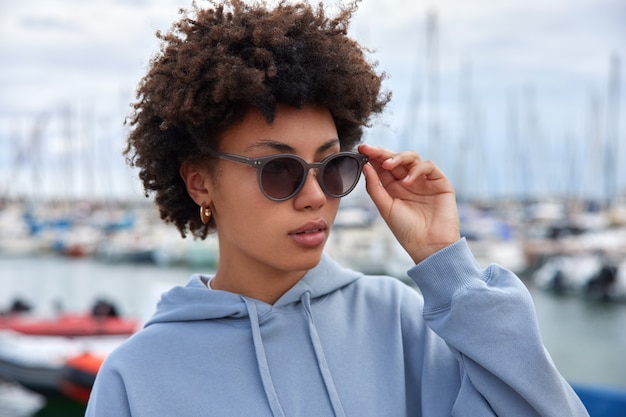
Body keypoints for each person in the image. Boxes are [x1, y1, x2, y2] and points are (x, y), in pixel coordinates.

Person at [86, 1, 589, 416]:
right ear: (200, 183)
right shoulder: (137, 378)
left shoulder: (399, 322)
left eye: (332, 168)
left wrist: (449, 268)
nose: (314, 196)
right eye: (277, 170)